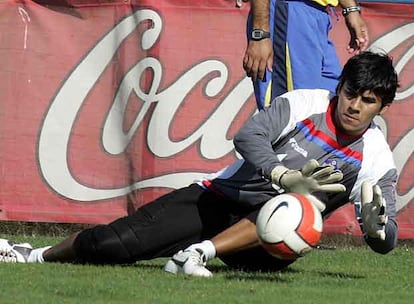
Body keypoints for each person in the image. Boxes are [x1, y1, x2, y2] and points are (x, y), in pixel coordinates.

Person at [0, 52, 398, 278]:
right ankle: (33, 255)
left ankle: (196, 255)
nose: (354, 105)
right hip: (219, 201)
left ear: (381, 107)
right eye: (350, 93)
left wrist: (379, 231)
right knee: (111, 245)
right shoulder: (306, 103)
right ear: (339, 87)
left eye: (367, 100)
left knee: (300, 205)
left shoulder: (377, 158)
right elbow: (247, 137)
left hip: (271, 243)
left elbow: (386, 237)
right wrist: (285, 175)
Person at [243, 0, 369, 110]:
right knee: (288, 115)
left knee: (328, 108)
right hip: (287, 12)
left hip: (319, 15)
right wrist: (260, 34)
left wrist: (351, 9)